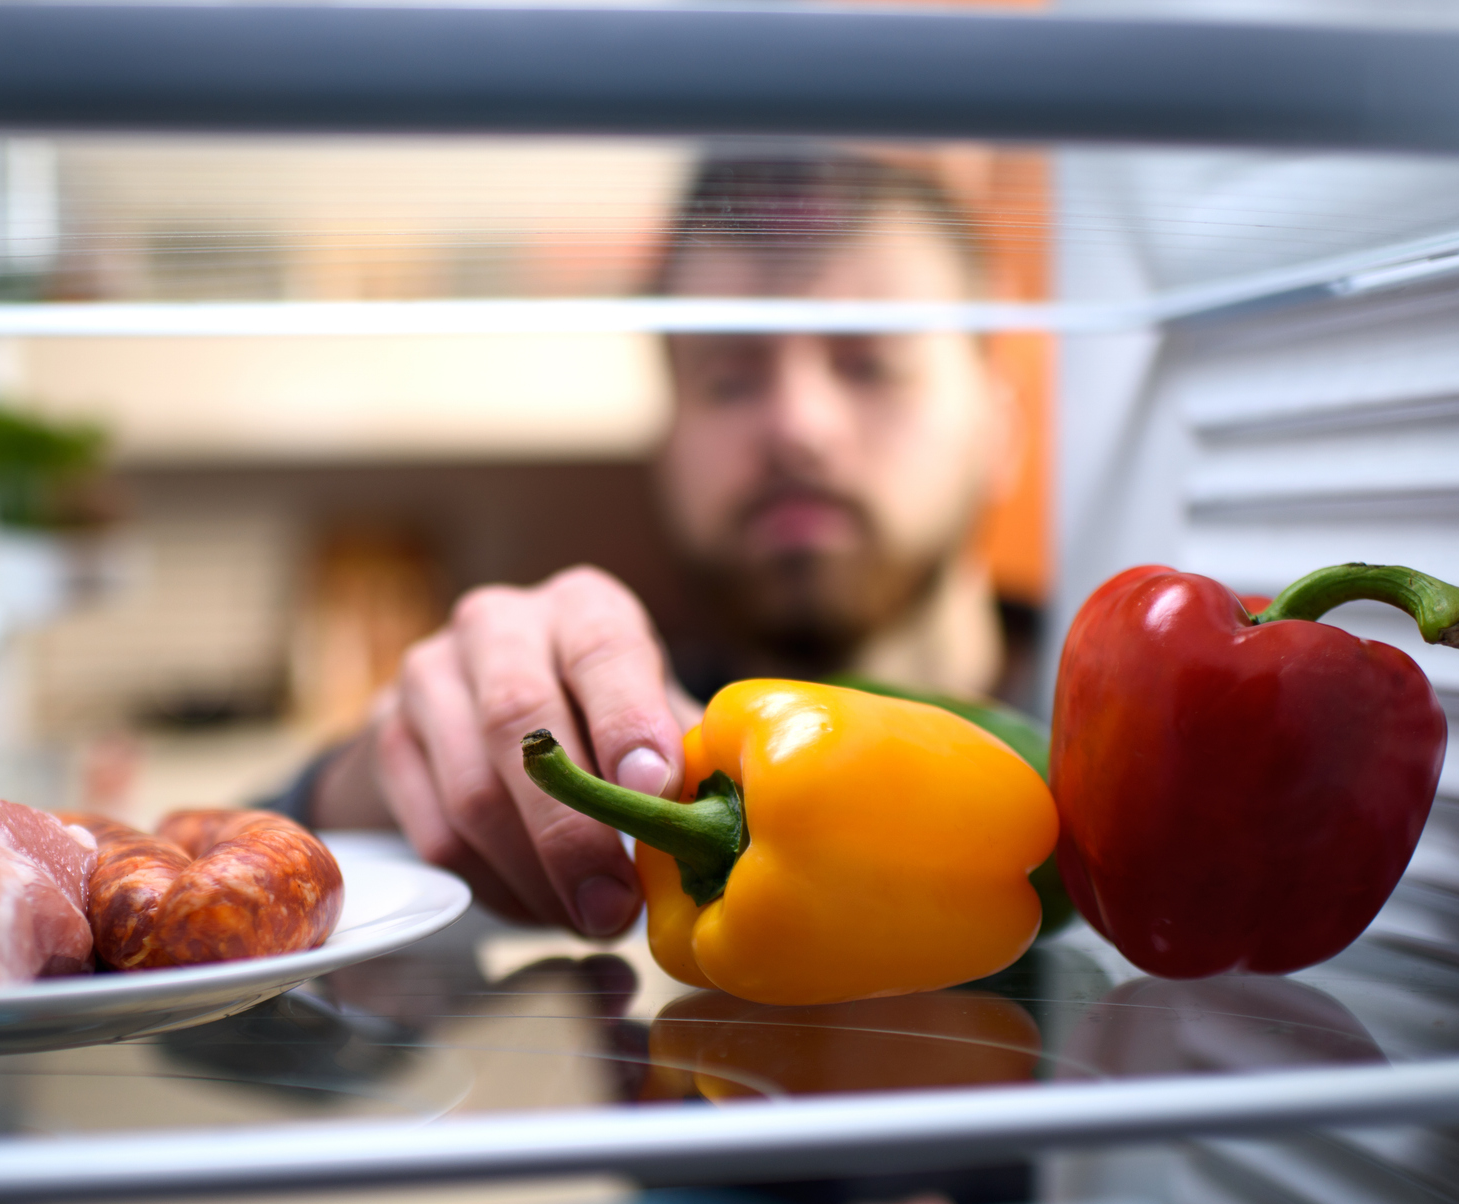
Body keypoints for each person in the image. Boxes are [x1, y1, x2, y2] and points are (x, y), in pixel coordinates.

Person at [300, 150, 1027, 941]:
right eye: (729, 380)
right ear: (667, 440)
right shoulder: (621, 757)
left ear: (1000, 427)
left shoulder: (1128, 736)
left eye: (869, 365)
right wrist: (371, 779)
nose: (797, 428)